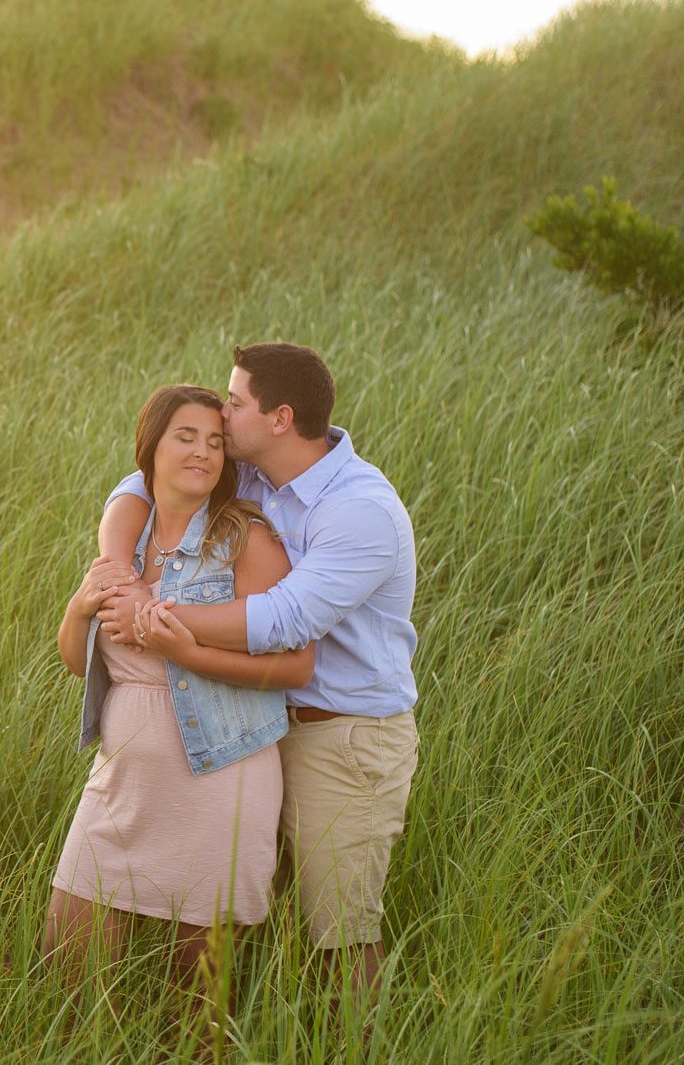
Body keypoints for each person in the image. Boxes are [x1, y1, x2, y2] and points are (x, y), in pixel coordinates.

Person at [93, 342, 419, 999]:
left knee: (340, 930)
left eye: (235, 402)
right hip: (254, 723)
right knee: (229, 912)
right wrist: (117, 569)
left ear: (279, 418)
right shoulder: (259, 474)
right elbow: (142, 480)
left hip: (342, 737)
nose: (223, 409)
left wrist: (155, 616)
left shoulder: (359, 509)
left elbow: (285, 620)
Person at [41, 384, 314, 1011]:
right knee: (68, 964)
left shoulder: (245, 540)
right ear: (150, 449)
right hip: (123, 778)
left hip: (220, 777)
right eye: (185, 437)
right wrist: (79, 607)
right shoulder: (128, 544)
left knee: (197, 1001)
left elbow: (296, 665)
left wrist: (182, 648)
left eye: (216, 442)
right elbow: (77, 662)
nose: (203, 452)